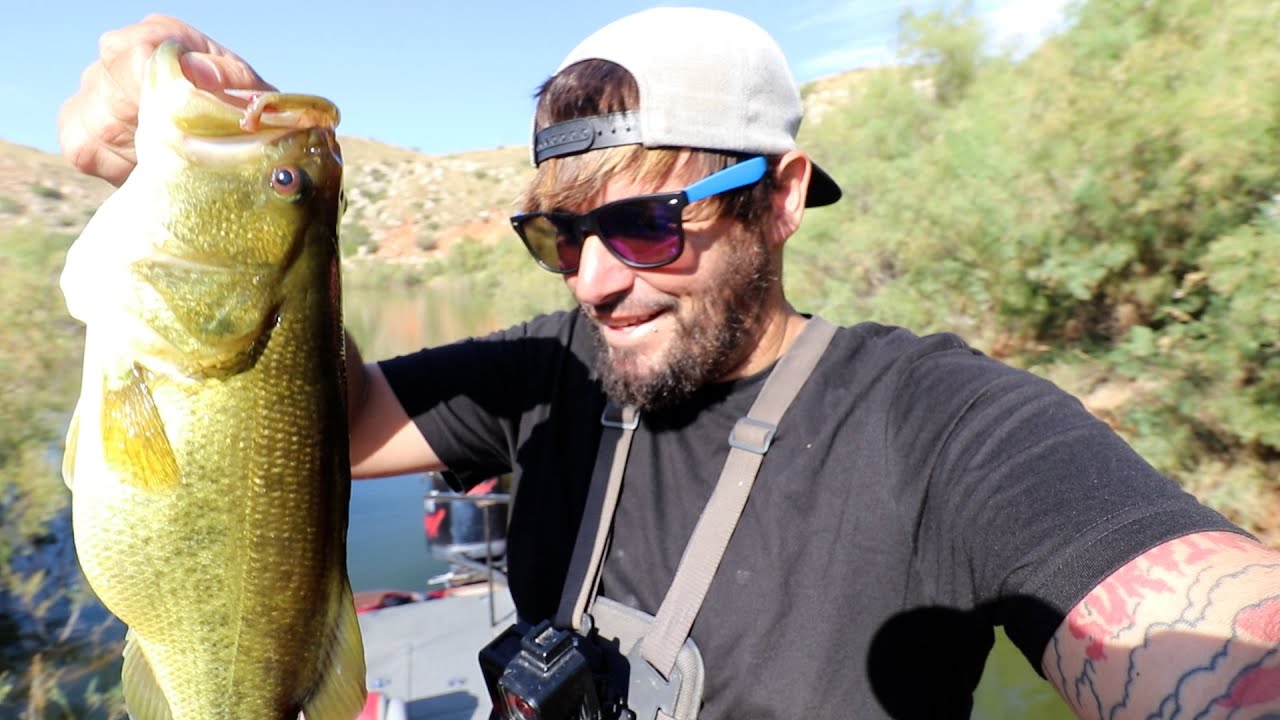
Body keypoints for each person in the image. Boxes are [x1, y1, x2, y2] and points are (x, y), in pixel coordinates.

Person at [60, 8, 1280, 720]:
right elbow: (285, 427)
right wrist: (218, 194)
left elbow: (1214, 639)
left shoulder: (948, 425)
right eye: (559, 236)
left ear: (781, 199)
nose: (593, 280)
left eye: (644, 224)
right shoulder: (549, 371)